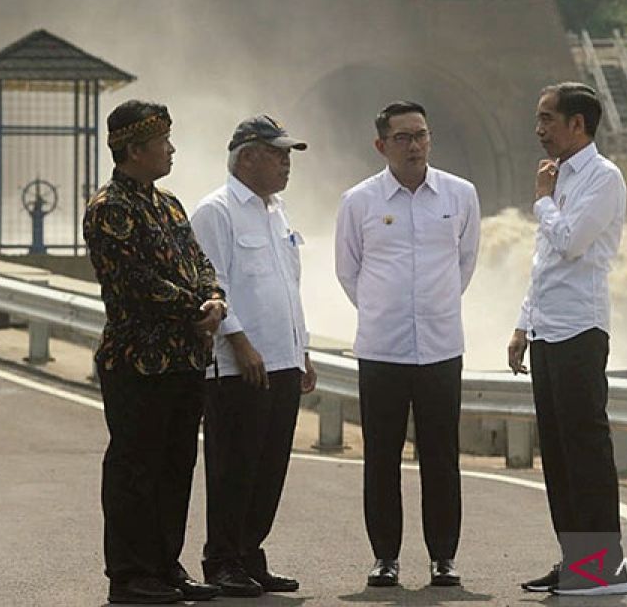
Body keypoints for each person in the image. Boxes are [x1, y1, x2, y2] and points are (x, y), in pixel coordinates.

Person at [83, 100, 225, 605]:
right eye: (162, 142)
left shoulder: (169, 205)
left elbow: (198, 259)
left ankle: (167, 565)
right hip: (137, 362)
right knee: (135, 469)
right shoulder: (109, 210)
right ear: (134, 149)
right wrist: (196, 306)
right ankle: (129, 574)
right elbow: (136, 284)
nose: (171, 149)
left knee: (175, 466)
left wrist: (213, 297)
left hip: (184, 359)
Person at [334, 100, 481, 589]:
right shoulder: (360, 201)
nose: (415, 145)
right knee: (381, 456)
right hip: (382, 350)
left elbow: (464, 263)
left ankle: (443, 557)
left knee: (442, 456)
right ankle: (385, 557)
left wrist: (431, 307)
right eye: (403, 138)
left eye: (421, 135)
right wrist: (386, 309)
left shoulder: (459, 195)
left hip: (440, 346)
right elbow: (348, 270)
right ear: (382, 146)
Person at [507, 82, 627, 597]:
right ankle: (577, 561)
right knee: (558, 454)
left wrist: (541, 202)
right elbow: (544, 263)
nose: (539, 130)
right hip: (547, 330)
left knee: (585, 451)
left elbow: (572, 243)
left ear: (577, 124)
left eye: (547, 119)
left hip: (581, 329)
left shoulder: (602, 178)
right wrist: (522, 323)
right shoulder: (558, 177)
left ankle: (605, 568)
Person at [189, 115, 318, 598]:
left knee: (269, 466)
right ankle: (221, 559)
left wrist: (302, 349)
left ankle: (249, 554)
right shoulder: (216, 211)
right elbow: (211, 283)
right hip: (238, 364)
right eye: (277, 153)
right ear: (246, 157)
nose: (286, 163)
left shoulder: (275, 211)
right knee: (234, 465)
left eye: (288, 155)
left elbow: (290, 285)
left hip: (282, 358)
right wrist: (240, 342)